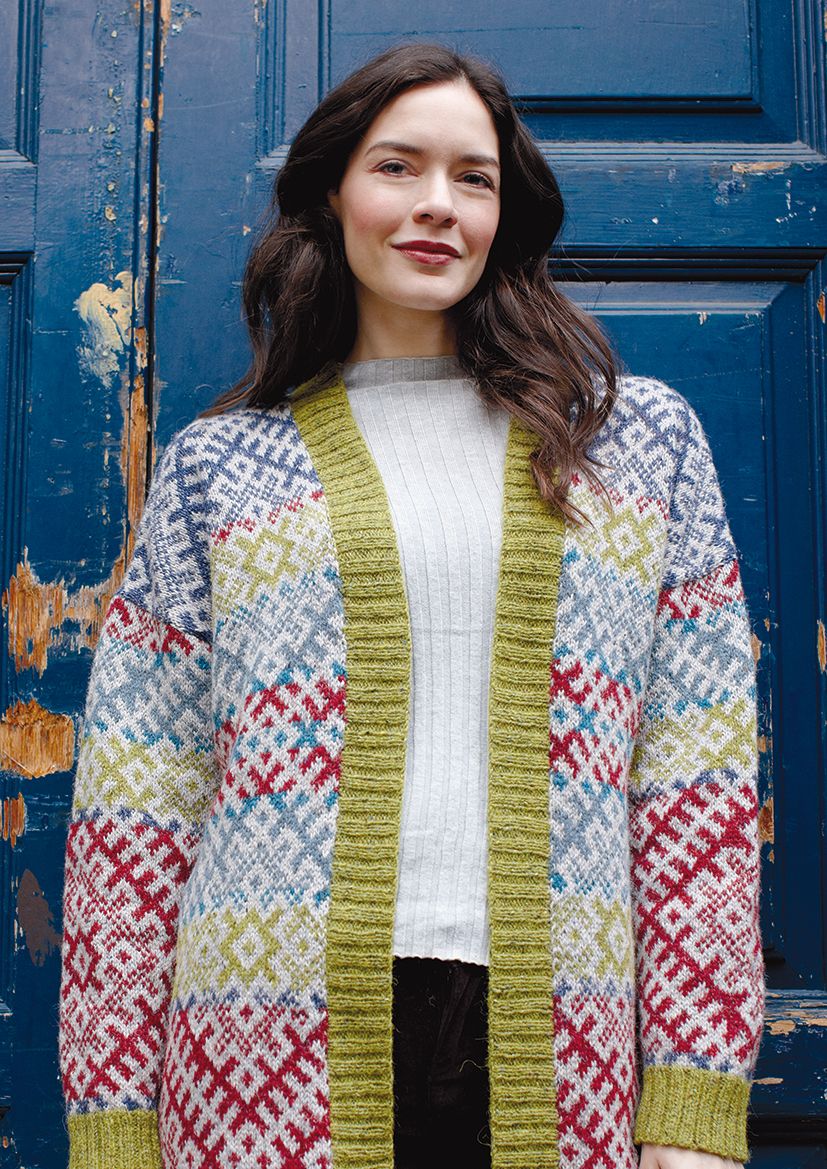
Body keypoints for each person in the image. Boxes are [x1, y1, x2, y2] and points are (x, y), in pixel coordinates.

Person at [58, 40, 765, 1169]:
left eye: (472, 177)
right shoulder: (217, 468)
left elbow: (696, 782)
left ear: (503, 211)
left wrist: (693, 1101)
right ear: (331, 193)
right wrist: (111, 1126)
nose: (438, 203)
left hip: (559, 1040)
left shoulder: (634, 445)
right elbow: (136, 808)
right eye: (397, 166)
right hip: (258, 1049)